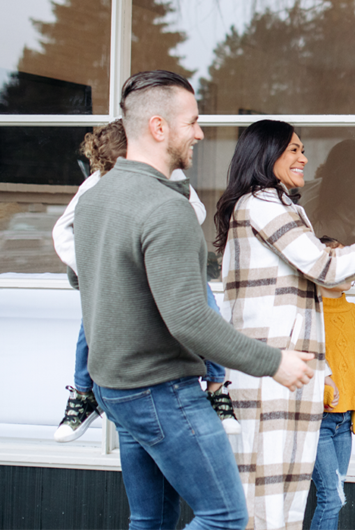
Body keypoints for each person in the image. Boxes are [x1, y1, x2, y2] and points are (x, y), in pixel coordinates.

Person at [72, 70, 315, 530]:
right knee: (225, 516)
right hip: (161, 390)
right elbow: (189, 319)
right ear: (158, 127)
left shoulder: (95, 199)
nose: (200, 133)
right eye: (193, 122)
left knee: (150, 518)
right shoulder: (166, 208)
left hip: (116, 389)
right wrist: (274, 362)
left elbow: (82, 277)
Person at [214, 119, 355, 530]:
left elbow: (329, 276)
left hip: (287, 370)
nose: (305, 158)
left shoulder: (283, 205)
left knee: (284, 493)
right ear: (266, 154)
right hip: (269, 369)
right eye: (294, 150)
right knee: (268, 498)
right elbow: (324, 266)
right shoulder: (261, 205)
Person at [52, 120, 241, 442]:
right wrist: (91, 268)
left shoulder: (169, 177)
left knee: (205, 306)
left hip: (164, 265)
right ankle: (83, 393)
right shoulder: (97, 185)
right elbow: (62, 230)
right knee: (91, 323)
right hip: (121, 275)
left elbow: (196, 210)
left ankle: (216, 386)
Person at [309, 236, 355, 530]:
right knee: (332, 497)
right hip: (317, 421)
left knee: (337, 497)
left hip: (343, 422)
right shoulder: (308, 313)